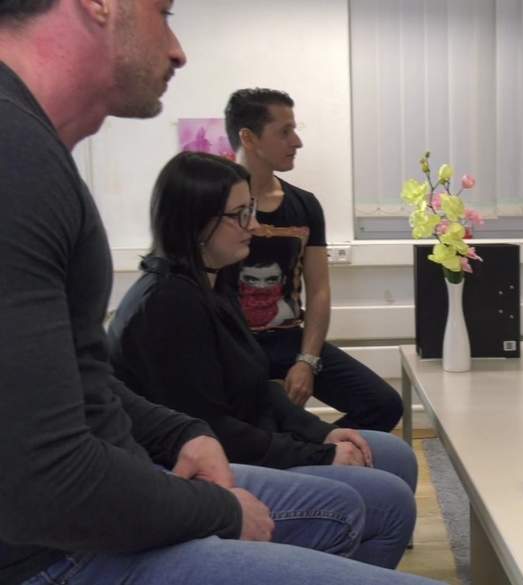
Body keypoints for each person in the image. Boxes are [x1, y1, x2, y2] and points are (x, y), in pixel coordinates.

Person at [0, 2, 439, 584]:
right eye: (162, 11)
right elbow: (48, 476)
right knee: (350, 505)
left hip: (98, 508)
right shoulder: (19, 160)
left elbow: (89, 387)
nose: (178, 49)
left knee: (377, 475)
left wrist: (185, 433)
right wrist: (221, 508)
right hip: (59, 553)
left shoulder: (35, 151)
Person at [107, 151, 418, 569]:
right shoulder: (167, 305)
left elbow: (257, 390)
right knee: (390, 500)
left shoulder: (213, 280)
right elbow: (213, 431)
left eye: (250, 210)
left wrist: (324, 434)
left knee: (396, 456)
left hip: (244, 439)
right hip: (205, 468)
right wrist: (319, 456)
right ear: (195, 223)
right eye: (240, 215)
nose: (254, 225)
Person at [223, 88, 403, 431]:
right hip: (231, 346)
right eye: (285, 131)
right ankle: (301, 449)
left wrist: (307, 360)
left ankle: (314, 449)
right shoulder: (212, 203)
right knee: (262, 424)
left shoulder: (304, 205)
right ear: (248, 137)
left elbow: (319, 289)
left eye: (295, 129)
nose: (297, 142)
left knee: (383, 405)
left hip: (289, 341)